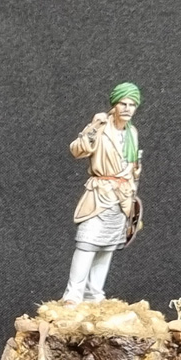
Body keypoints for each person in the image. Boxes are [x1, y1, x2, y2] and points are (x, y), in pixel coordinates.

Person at [62, 82, 143, 303]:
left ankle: (94, 293)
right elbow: (77, 150)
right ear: (114, 105)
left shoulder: (132, 133)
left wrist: (132, 197)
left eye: (132, 105)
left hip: (123, 196)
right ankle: (73, 294)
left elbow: (133, 166)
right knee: (87, 243)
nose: (127, 108)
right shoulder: (101, 127)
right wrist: (93, 126)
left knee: (107, 247)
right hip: (100, 193)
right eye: (123, 103)